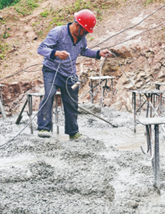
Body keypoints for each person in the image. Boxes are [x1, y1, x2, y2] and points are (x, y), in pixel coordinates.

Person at [36, 9, 110, 140]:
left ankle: (73, 132)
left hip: (69, 74)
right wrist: (56, 53)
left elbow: (84, 51)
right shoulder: (58, 32)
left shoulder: (82, 38)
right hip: (52, 70)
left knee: (72, 100)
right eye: (85, 31)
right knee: (50, 95)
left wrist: (99, 53)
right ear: (77, 25)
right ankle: (44, 128)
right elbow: (41, 49)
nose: (86, 34)